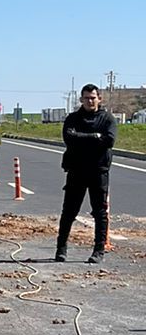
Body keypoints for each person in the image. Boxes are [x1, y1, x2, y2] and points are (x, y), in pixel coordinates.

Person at [56, 85, 115, 264]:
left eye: (93, 98)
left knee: (100, 212)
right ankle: (61, 248)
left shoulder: (107, 119)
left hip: (99, 172)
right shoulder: (73, 118)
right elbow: (69, 138)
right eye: (87, 98)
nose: (90, 101)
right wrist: (95, 137)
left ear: (99, 99)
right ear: (81, 100)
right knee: (69, 212)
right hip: (76, 171)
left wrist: (83, 138)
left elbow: (110, 140)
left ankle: (99, 250)